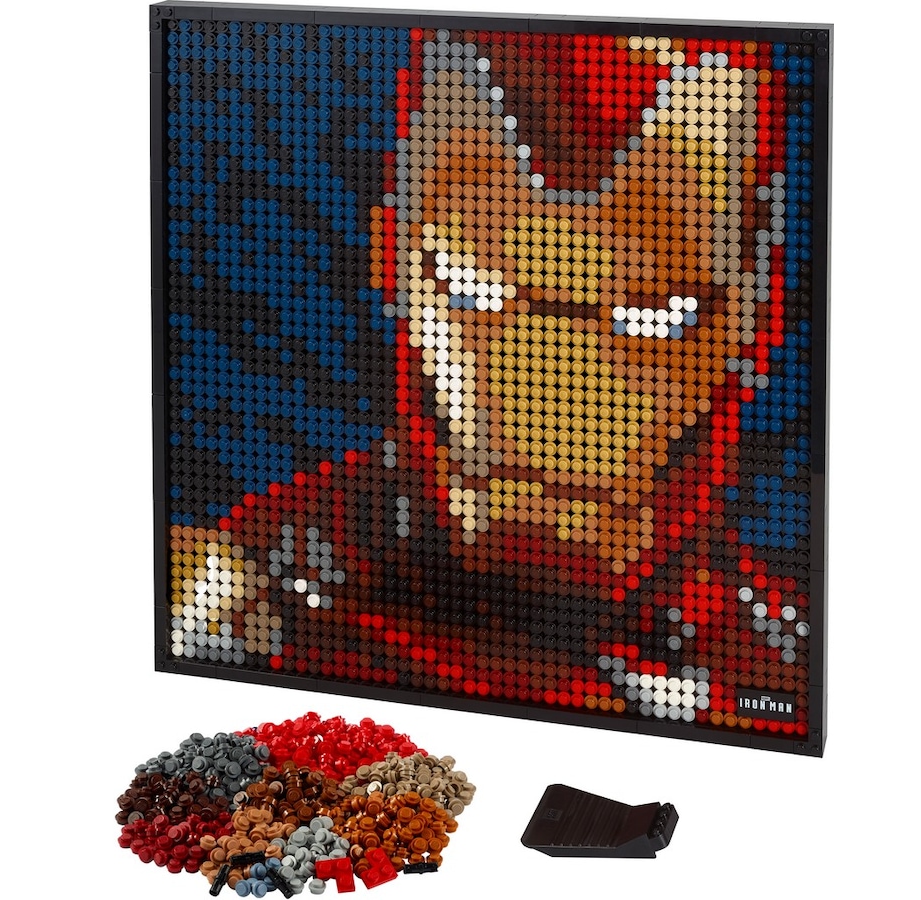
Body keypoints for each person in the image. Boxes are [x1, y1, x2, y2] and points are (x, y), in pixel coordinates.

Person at [167, 29, 810, 737]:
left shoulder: (771, 680)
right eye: (470, 291)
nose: (544, 389)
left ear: (756, 319)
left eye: (652, 318)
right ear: (392, 261)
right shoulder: (244, 590)